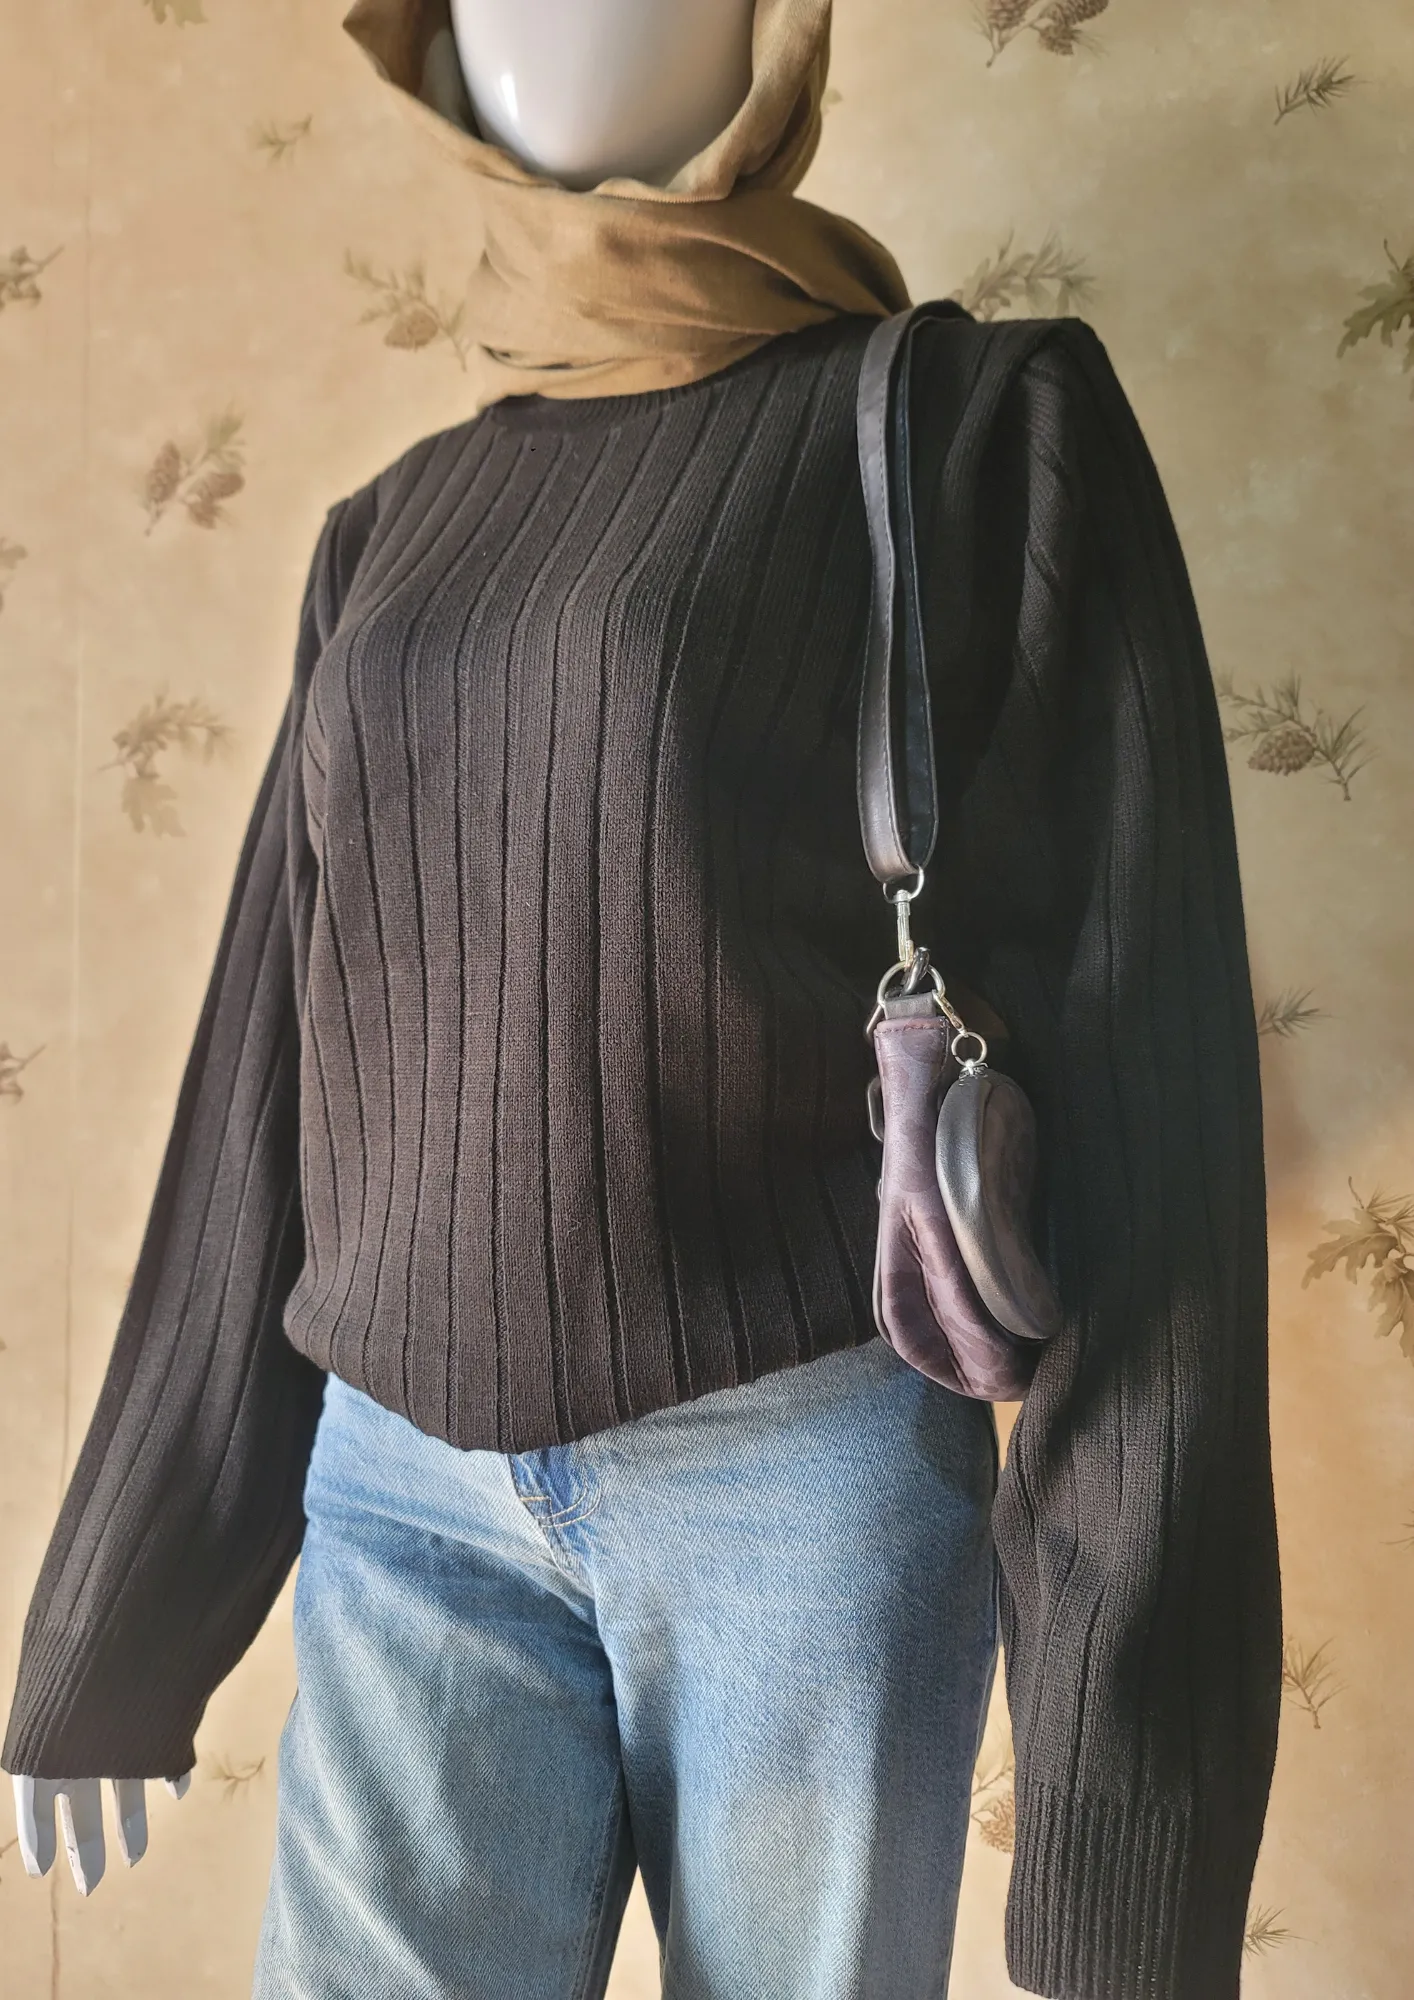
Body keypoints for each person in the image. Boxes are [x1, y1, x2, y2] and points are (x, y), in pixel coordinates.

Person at [4, 3, 1281, 1995]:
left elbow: (1151, 1096)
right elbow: (271, 1064)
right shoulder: (392, 525)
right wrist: (123, 1612)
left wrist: (1130, 1835)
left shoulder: (976, 427)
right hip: (400, 1485)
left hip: (797, 1481)